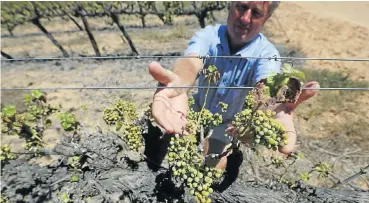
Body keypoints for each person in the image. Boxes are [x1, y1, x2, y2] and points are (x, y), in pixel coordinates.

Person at [148, 1, 320, 169]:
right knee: (167, 142)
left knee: (215, 164)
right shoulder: (209, 36)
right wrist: (180, 84)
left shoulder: (268, 54)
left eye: (256, 13)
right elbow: (191, 63)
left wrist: (275, 108)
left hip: (230, 124)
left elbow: (266, 85)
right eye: (242, 7)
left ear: (266, 18)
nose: (245, 18)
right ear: (231, 5)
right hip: (197, 108)